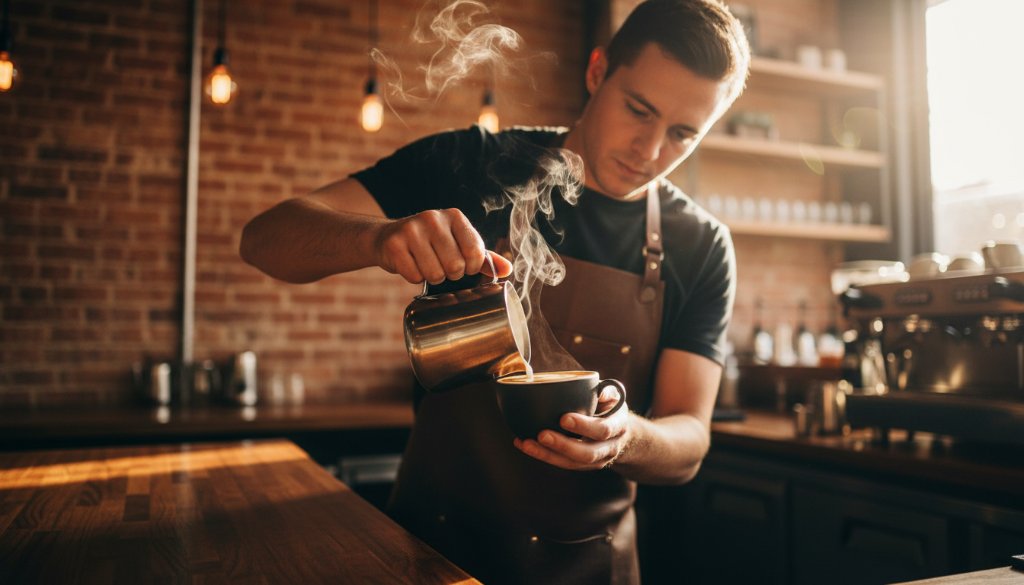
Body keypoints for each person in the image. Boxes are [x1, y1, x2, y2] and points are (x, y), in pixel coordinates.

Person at [240, 1, 750, 583]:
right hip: (426, 553)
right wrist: (378, 239)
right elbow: (265, 239)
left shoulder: (700, 245)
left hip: (588, 568)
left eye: (683, 134)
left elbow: (689, 440)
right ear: (596, 71)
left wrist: (625, 437)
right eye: (638, 110)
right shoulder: (473, 163)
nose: (650, 151)